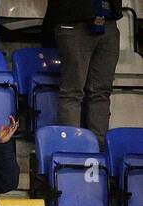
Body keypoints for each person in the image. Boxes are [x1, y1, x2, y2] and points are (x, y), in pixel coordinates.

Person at [45, 0, 122, 142]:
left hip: (108, 20)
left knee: (101, 92)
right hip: (73, 20)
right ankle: (74, 149)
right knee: (72, 92)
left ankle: (98, 152)